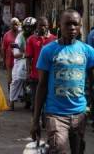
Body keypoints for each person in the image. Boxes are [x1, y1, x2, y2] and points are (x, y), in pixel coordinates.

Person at [31, 9, 94, 154]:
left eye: (75, 24)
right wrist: (35, 121)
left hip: (80, 113)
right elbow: (42, 86)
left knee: (78, 150)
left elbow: (91, 81)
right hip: (55, 114)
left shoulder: (88, 51)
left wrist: (89, 105)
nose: (72, 28)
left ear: (80, 26)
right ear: (60, 25)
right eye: (68, 24)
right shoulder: (48, 51)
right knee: (58, 148)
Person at [26, 16, 56, 113]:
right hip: (35, 75)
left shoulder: (54, 39)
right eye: (40, 25)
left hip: (50, 75)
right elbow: (29, 57)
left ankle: (45, 121)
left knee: (49, 100)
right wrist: (28, 72)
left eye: (44, 25)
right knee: (36, 101)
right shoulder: (31, 39)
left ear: (48, 26)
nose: (42, 27)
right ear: (37, 26)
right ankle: (35, 122)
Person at [9, 17, 36, 111]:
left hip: (35, 61)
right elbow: (16, 53)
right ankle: (11, 102)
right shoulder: (20, 37)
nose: (28, 29)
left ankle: (31, 103)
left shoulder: (37, 37)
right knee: (16, 80)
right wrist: (26, 54)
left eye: (31, 27)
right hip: (22, 61)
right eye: (27, 27)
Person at [1, 18, 20, 93]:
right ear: (10, 25)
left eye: (16, 24)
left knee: (19, 78)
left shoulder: (21, 34)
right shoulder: (7, 35)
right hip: (10, 60)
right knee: (10, 79)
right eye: (13, 24)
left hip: (19, 59)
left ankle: (18, 94)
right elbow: (3, 48)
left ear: (19, 24)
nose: (14, 26)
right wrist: (3, 60)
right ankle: (11, 95)